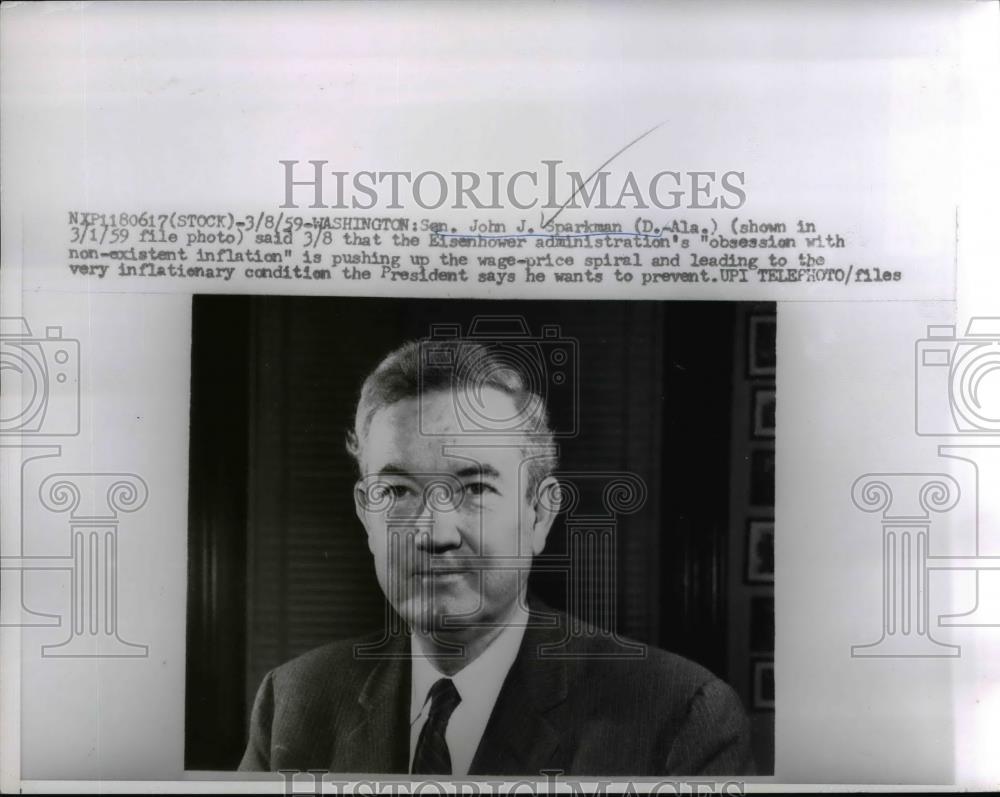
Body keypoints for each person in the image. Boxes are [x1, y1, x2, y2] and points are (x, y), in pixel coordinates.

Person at [239, 337, 754, 776]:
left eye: (475, 488)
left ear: (540, 513)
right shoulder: (294, 703)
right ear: (364, 516)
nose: (433, 533)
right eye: (397, 492)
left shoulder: (679, 719)